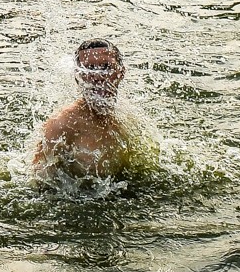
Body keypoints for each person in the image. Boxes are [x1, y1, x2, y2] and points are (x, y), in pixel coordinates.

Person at [31, 41, 153, 181]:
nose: (97, 76)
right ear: (78, 76)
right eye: (89, 69)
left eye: (106, 67)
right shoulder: (63, 124)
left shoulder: (129, 118)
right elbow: (39, 181)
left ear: (121, 72)